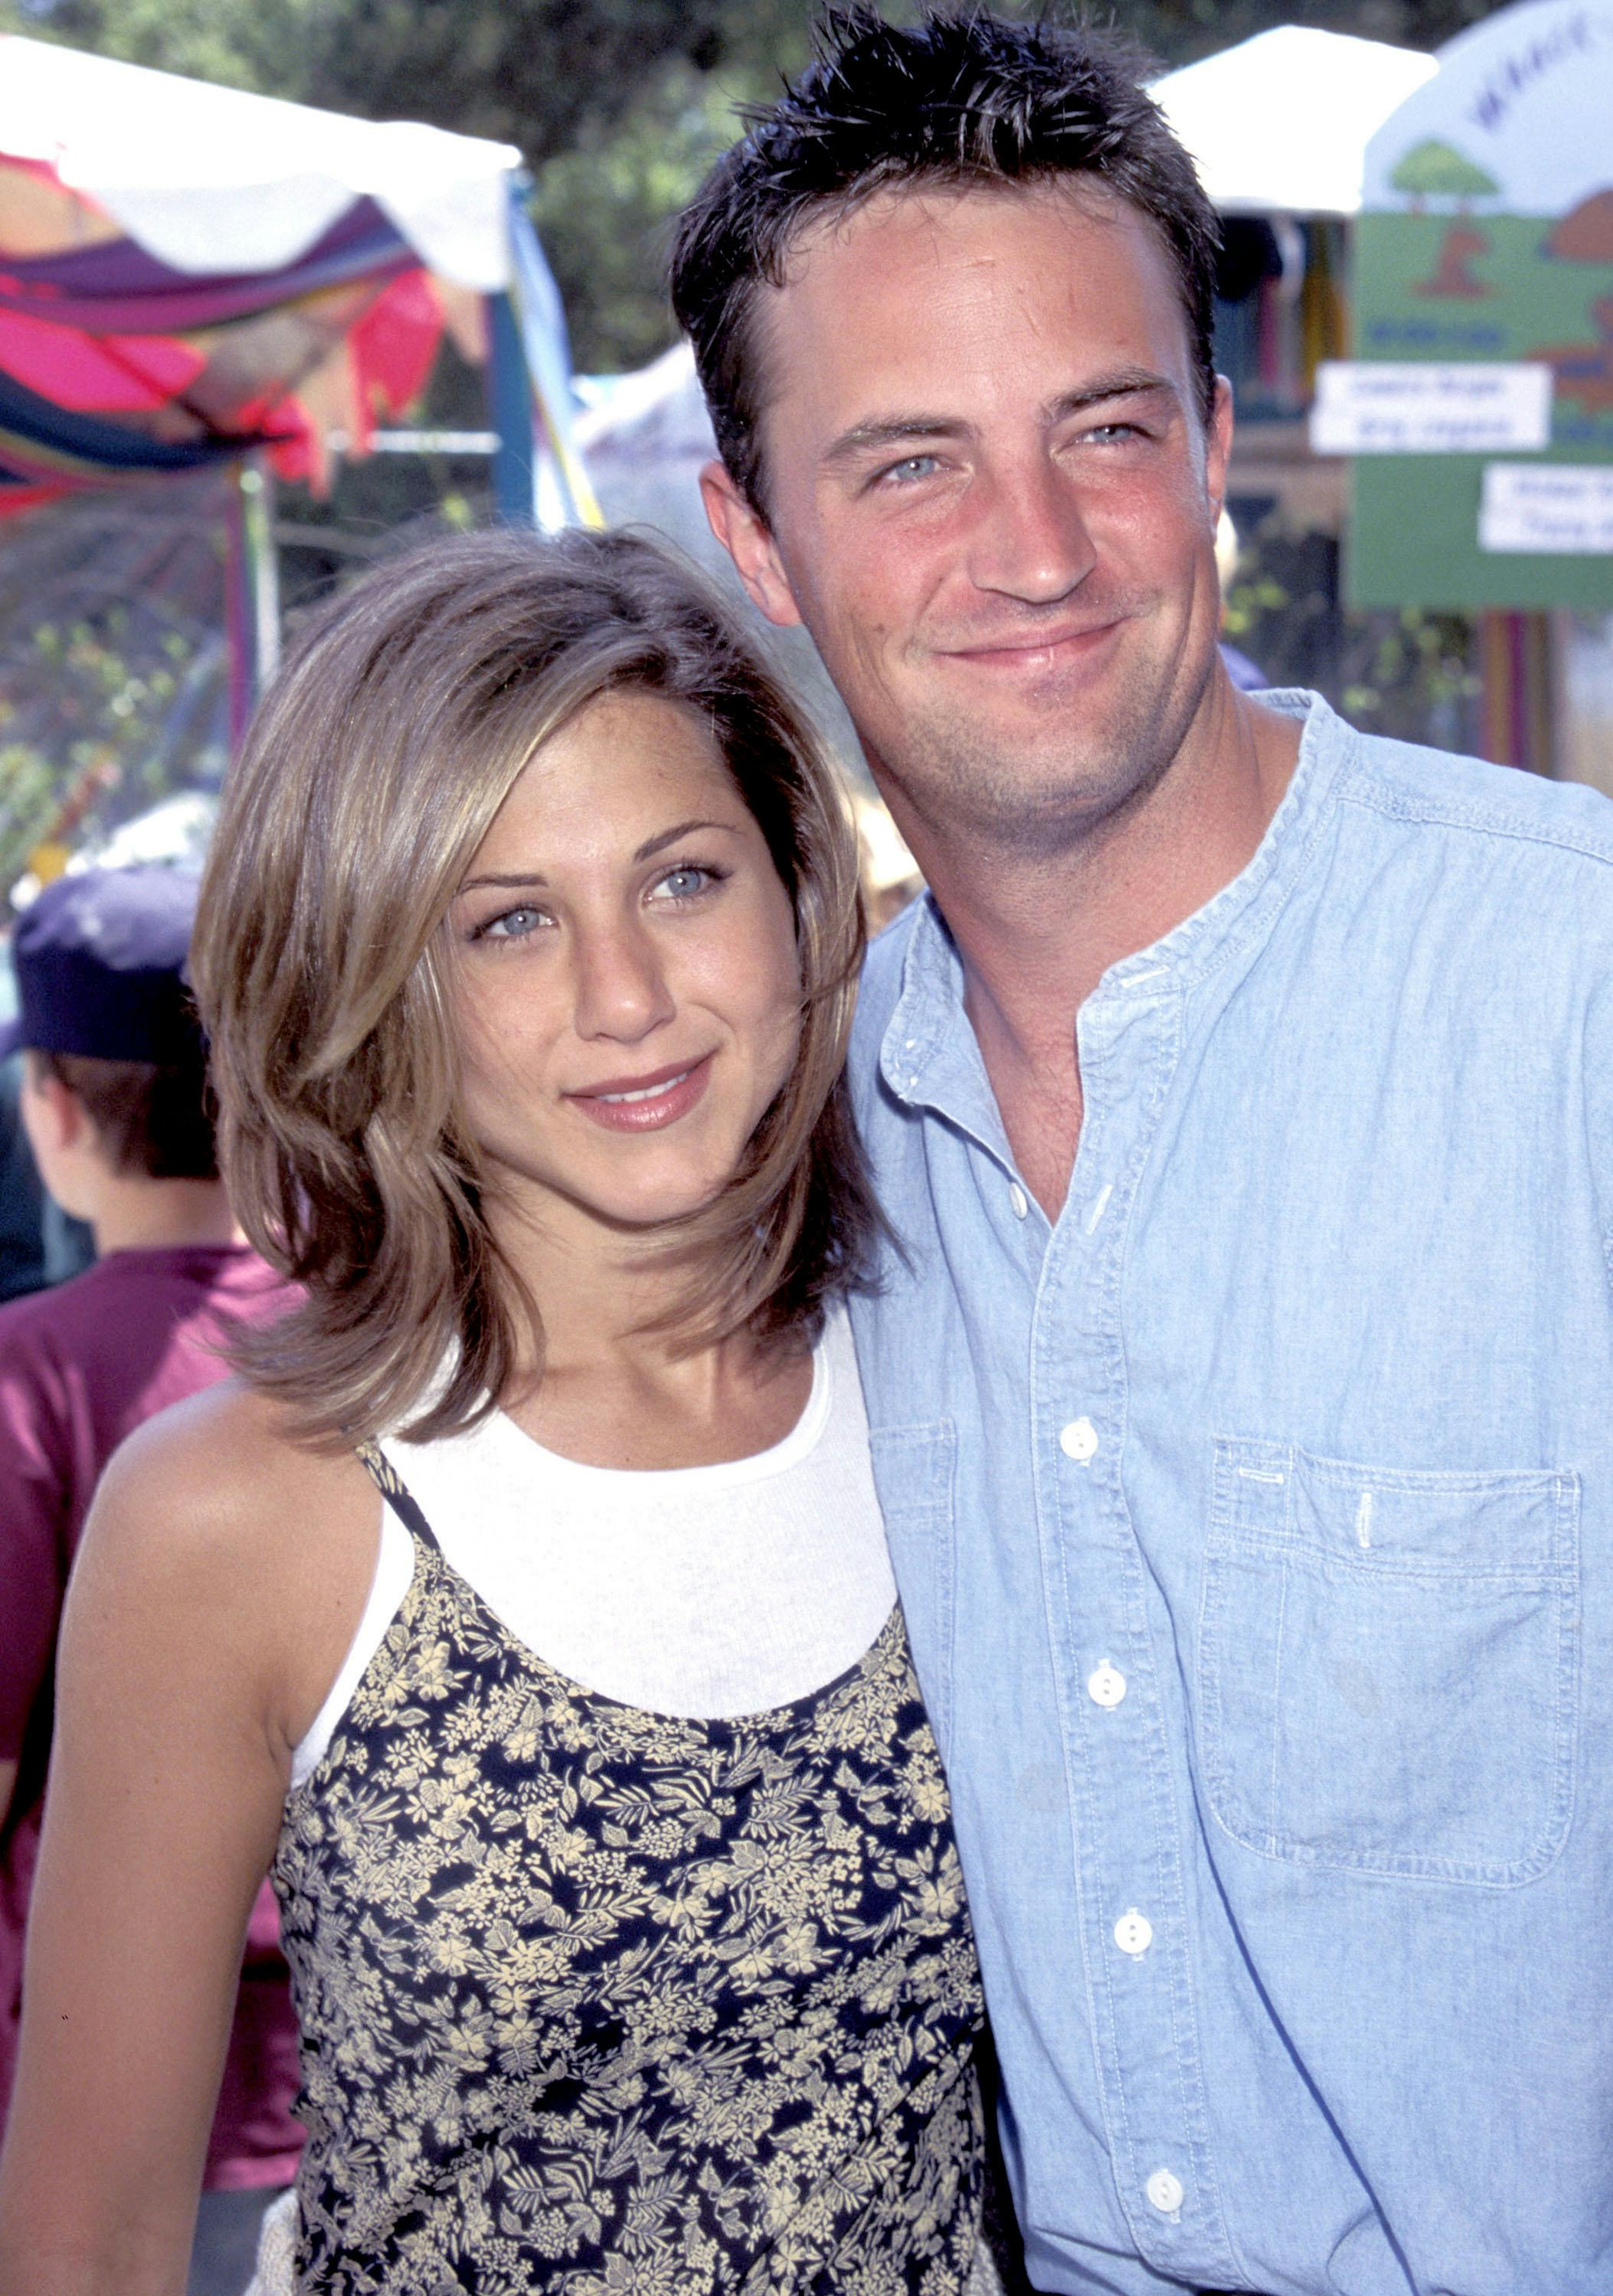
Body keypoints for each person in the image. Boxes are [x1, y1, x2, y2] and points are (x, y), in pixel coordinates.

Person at [672, 11, 1613, 2296]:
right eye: (909, 463)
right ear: (755, 540)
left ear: (1207, 444)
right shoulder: (777, 1138)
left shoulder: (1565, 1001)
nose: (1033, 550)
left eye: (1102, 430)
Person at [0, 530, 989, 2296]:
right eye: (507, 920)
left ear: (797, 889)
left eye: (682, 879)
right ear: (370, 978)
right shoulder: (239, 1519)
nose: (627, 996)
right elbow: (89, 2240)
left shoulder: (978, 1400)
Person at [0, 868, 303, 2294]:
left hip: (99, 2096)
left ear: (52, 1113)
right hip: (358, 2062)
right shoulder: (376, 1346)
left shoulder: (31, 1375)